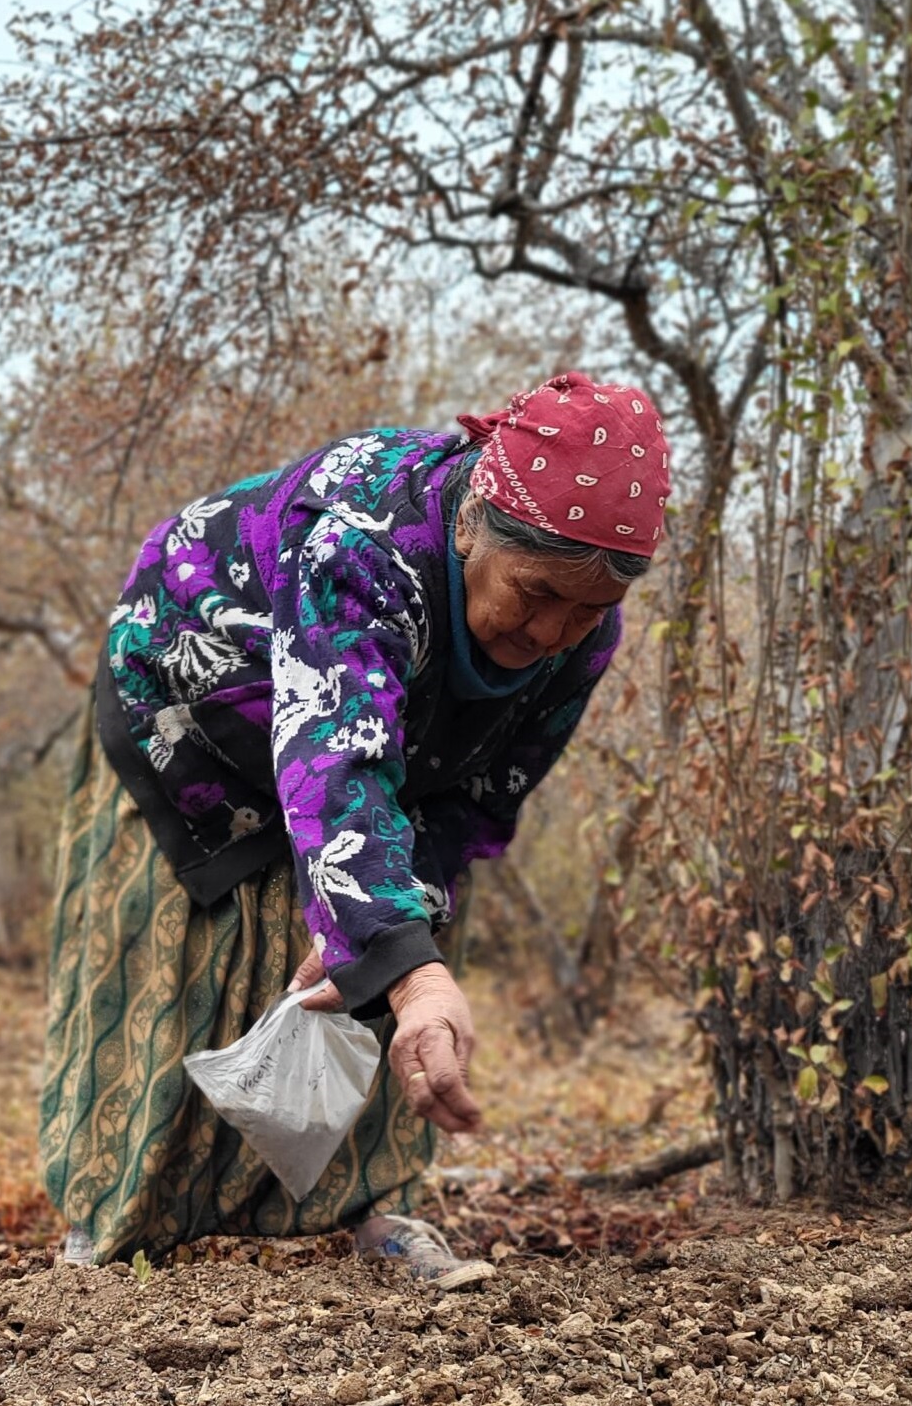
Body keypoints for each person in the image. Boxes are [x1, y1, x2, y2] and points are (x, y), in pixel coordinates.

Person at [39, 371, 669, 1286]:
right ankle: (113, 1221)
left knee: (383, 953)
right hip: (189, 707)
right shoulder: (362, 541)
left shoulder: (581, 631)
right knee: (181, 964)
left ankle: (369, 1211)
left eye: (585, 610)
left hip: (371, 750)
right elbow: (335, 764)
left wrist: (397, 936)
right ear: (468, 526)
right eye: (533, 593)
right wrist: (400, 964)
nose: (551, 632)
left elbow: (479, 792)